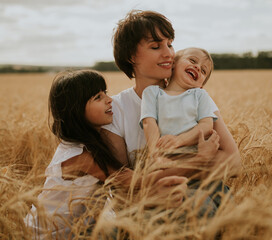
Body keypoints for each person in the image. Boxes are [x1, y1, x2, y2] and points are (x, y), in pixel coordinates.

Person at [25, 70, 188, 239]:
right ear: (76, 109)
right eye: (98, 97)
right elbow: (133, 180)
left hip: (77, 230)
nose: (109, 100)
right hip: (48, 235)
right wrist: (200, 162)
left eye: (106, 93)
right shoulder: (79, 157)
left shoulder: (92, 144)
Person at [102, 10, 241, 206]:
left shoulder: (196, 97)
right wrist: (199, 161)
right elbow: (120, 184)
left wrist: (167, 166)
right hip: (149, 209)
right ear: (131, 55)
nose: (168, 53)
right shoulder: (116, 109)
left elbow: (234, 164)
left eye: (170, 44)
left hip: (199, 196)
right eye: (156, 46)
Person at [140, 47, 217, 157]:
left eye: (203, 70)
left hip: (192, 155)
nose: (197, 67)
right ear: (174, 63)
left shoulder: (200, 95)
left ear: (201, 85)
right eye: (192, 60)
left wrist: (179, 140)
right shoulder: (152, 93)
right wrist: (155, 153)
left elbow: (206, 126)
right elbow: (149, 123)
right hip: (162, 154)